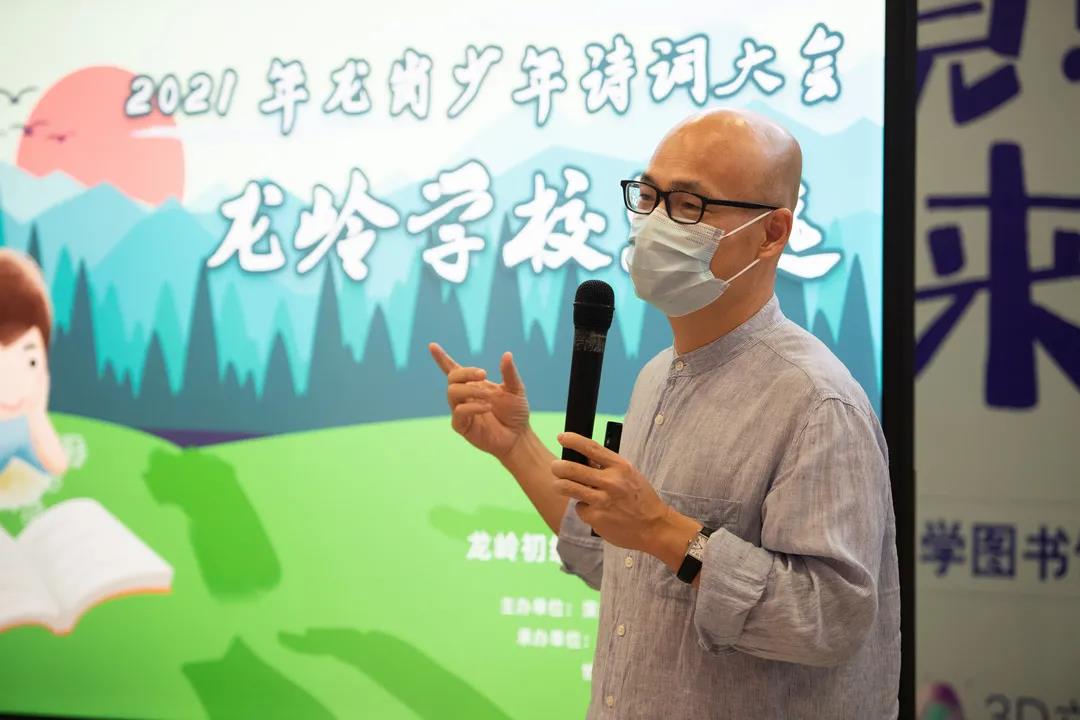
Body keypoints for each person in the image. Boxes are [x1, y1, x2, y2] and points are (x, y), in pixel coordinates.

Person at [429, 108, 899, 718]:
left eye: (689, 204)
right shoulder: (657, 376)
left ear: (771, 233)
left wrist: (664, 531)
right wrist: (515, 445)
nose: (655, 222)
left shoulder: (816, 402)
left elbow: (832, 619)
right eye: (648, 196)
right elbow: (615, 558)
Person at [0, 249, 68, 510]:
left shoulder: (18, 428)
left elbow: (57, 464)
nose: (14, 387)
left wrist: (37, 413)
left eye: (30, 363)